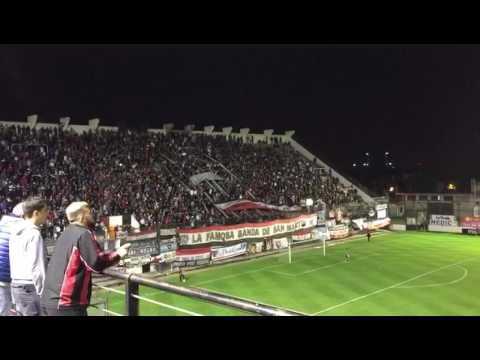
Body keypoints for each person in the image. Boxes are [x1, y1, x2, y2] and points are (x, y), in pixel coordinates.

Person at [41, 201, 131, 316]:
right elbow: (96, 263)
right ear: (81, 215)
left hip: (50, 300)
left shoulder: (65, 233)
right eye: (89, 212)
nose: (92, 215)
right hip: (66, 304)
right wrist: (118, 254)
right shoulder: (83, 234)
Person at [9, 197, 49, 316]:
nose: (48, 214)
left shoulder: (14, 232)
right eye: (45, 210)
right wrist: (43, 292)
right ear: (36, 213)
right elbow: (37, 267)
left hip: (16, 285)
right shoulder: (34, 234)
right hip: (30, 287)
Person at [0, 202, 25, 316]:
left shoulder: (3, 223)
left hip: (4, 276)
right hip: (7, 277)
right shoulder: (21, 228)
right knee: (4, 308)